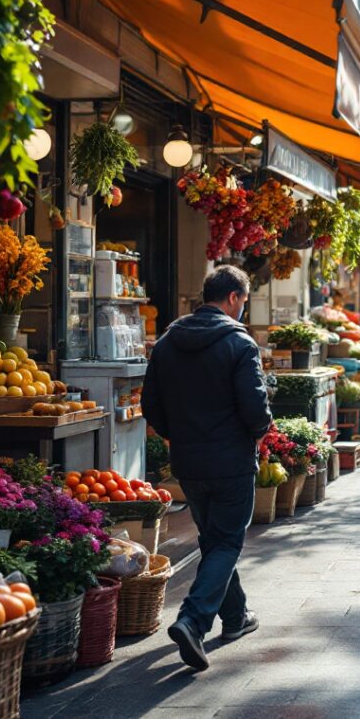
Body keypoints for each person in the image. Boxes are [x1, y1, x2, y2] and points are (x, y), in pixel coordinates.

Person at [142, 265, 271, 671]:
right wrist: (261, 429)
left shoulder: (167, 343)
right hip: (230, 460)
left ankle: (235, 617)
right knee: (227, 542)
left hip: (188, 462)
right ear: (233, 297)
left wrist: (176, 434)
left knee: (216, 539)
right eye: (243, 303)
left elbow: (152, 406)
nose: (242, 311)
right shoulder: (239, 343)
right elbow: (254, 408)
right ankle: (193, 621)